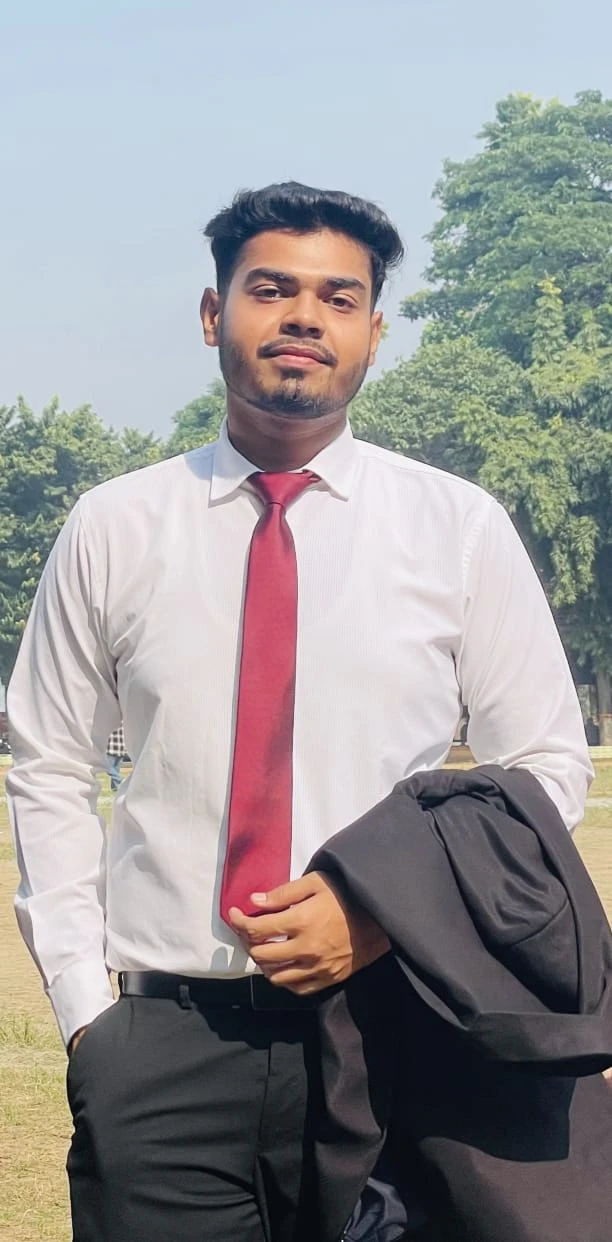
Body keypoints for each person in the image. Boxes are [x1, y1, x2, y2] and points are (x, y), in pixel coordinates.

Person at [6, 182, 593, 1242]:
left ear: (374, 332)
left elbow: (546, 769)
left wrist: (384, 912)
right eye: (271, 289)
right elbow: (47, 763)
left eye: (338, 297)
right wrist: (91, 1018)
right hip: (164, 1044)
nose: (304, 318)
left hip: (397, 1031)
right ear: (212, 313)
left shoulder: (457, 530)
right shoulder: (114, 528)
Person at [105, 724, 125, 792]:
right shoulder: (124, 722)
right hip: (121, 748)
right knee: (115, 769)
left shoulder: (111, 721)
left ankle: (119, 783)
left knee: (108, 768)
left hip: (111, 748)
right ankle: (115, 788)